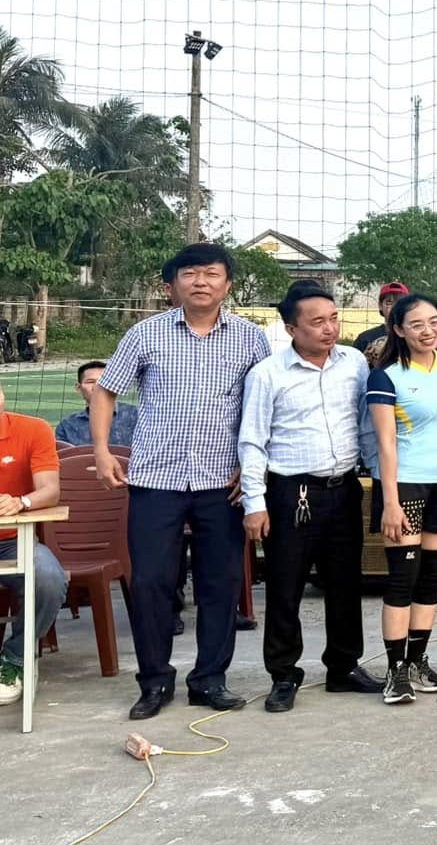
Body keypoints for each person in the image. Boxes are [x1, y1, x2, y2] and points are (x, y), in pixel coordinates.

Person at [94, 243, 271, 721]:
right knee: (151, 581)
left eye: (211, 274)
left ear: (227, 285)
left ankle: (210, 679)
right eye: (190, 274)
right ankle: (154, 680)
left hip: (223, 481)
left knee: (221, 583)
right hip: (156, 478)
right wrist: (102, 450)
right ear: (171, 285)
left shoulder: (252, 339)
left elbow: (264, 407)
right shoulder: (145, 334)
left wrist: (254, 468)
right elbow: (106, 392)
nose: (200, 282)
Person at [237, 283, 377, 712]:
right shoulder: (268, 374)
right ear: (291, 328)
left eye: (334, 319)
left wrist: (379, 476)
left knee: (345, 583)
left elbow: (365, 424)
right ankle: (283, 674)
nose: (329, 328)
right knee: (285, 586)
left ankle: (343, 666)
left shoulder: (353, 363)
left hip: (343, 488)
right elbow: (252, 441)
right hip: (291, 493)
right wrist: (255, 503)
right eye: (317, 322)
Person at [365, 294, 437, 705]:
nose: (428, 331)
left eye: (434, 322)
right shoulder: (386, 377)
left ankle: (418, 661)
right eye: (417, 324)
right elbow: (385, 444)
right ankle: (396, 670)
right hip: (403, 486)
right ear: (399, 329)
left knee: (432, 577)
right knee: (402, 579)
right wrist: (389, 502)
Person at [0, 359, 66, 712]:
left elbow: (50, 491)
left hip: (17, 540)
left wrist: (20, 502)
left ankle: (15, 657)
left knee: (50, 579)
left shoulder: (33, 429)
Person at [54, 361, 137, 447]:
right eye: (90, 382)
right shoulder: (68, 426)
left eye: (104, 381)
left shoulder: (137, 416)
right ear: (78, 388)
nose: (98, 386)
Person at [351, 282, 409, 361]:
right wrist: (366, 358)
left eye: (400, 303)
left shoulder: (414, 337)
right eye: (389, 303)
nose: (395, 307)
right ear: (380, 306)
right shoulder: (365, 339)